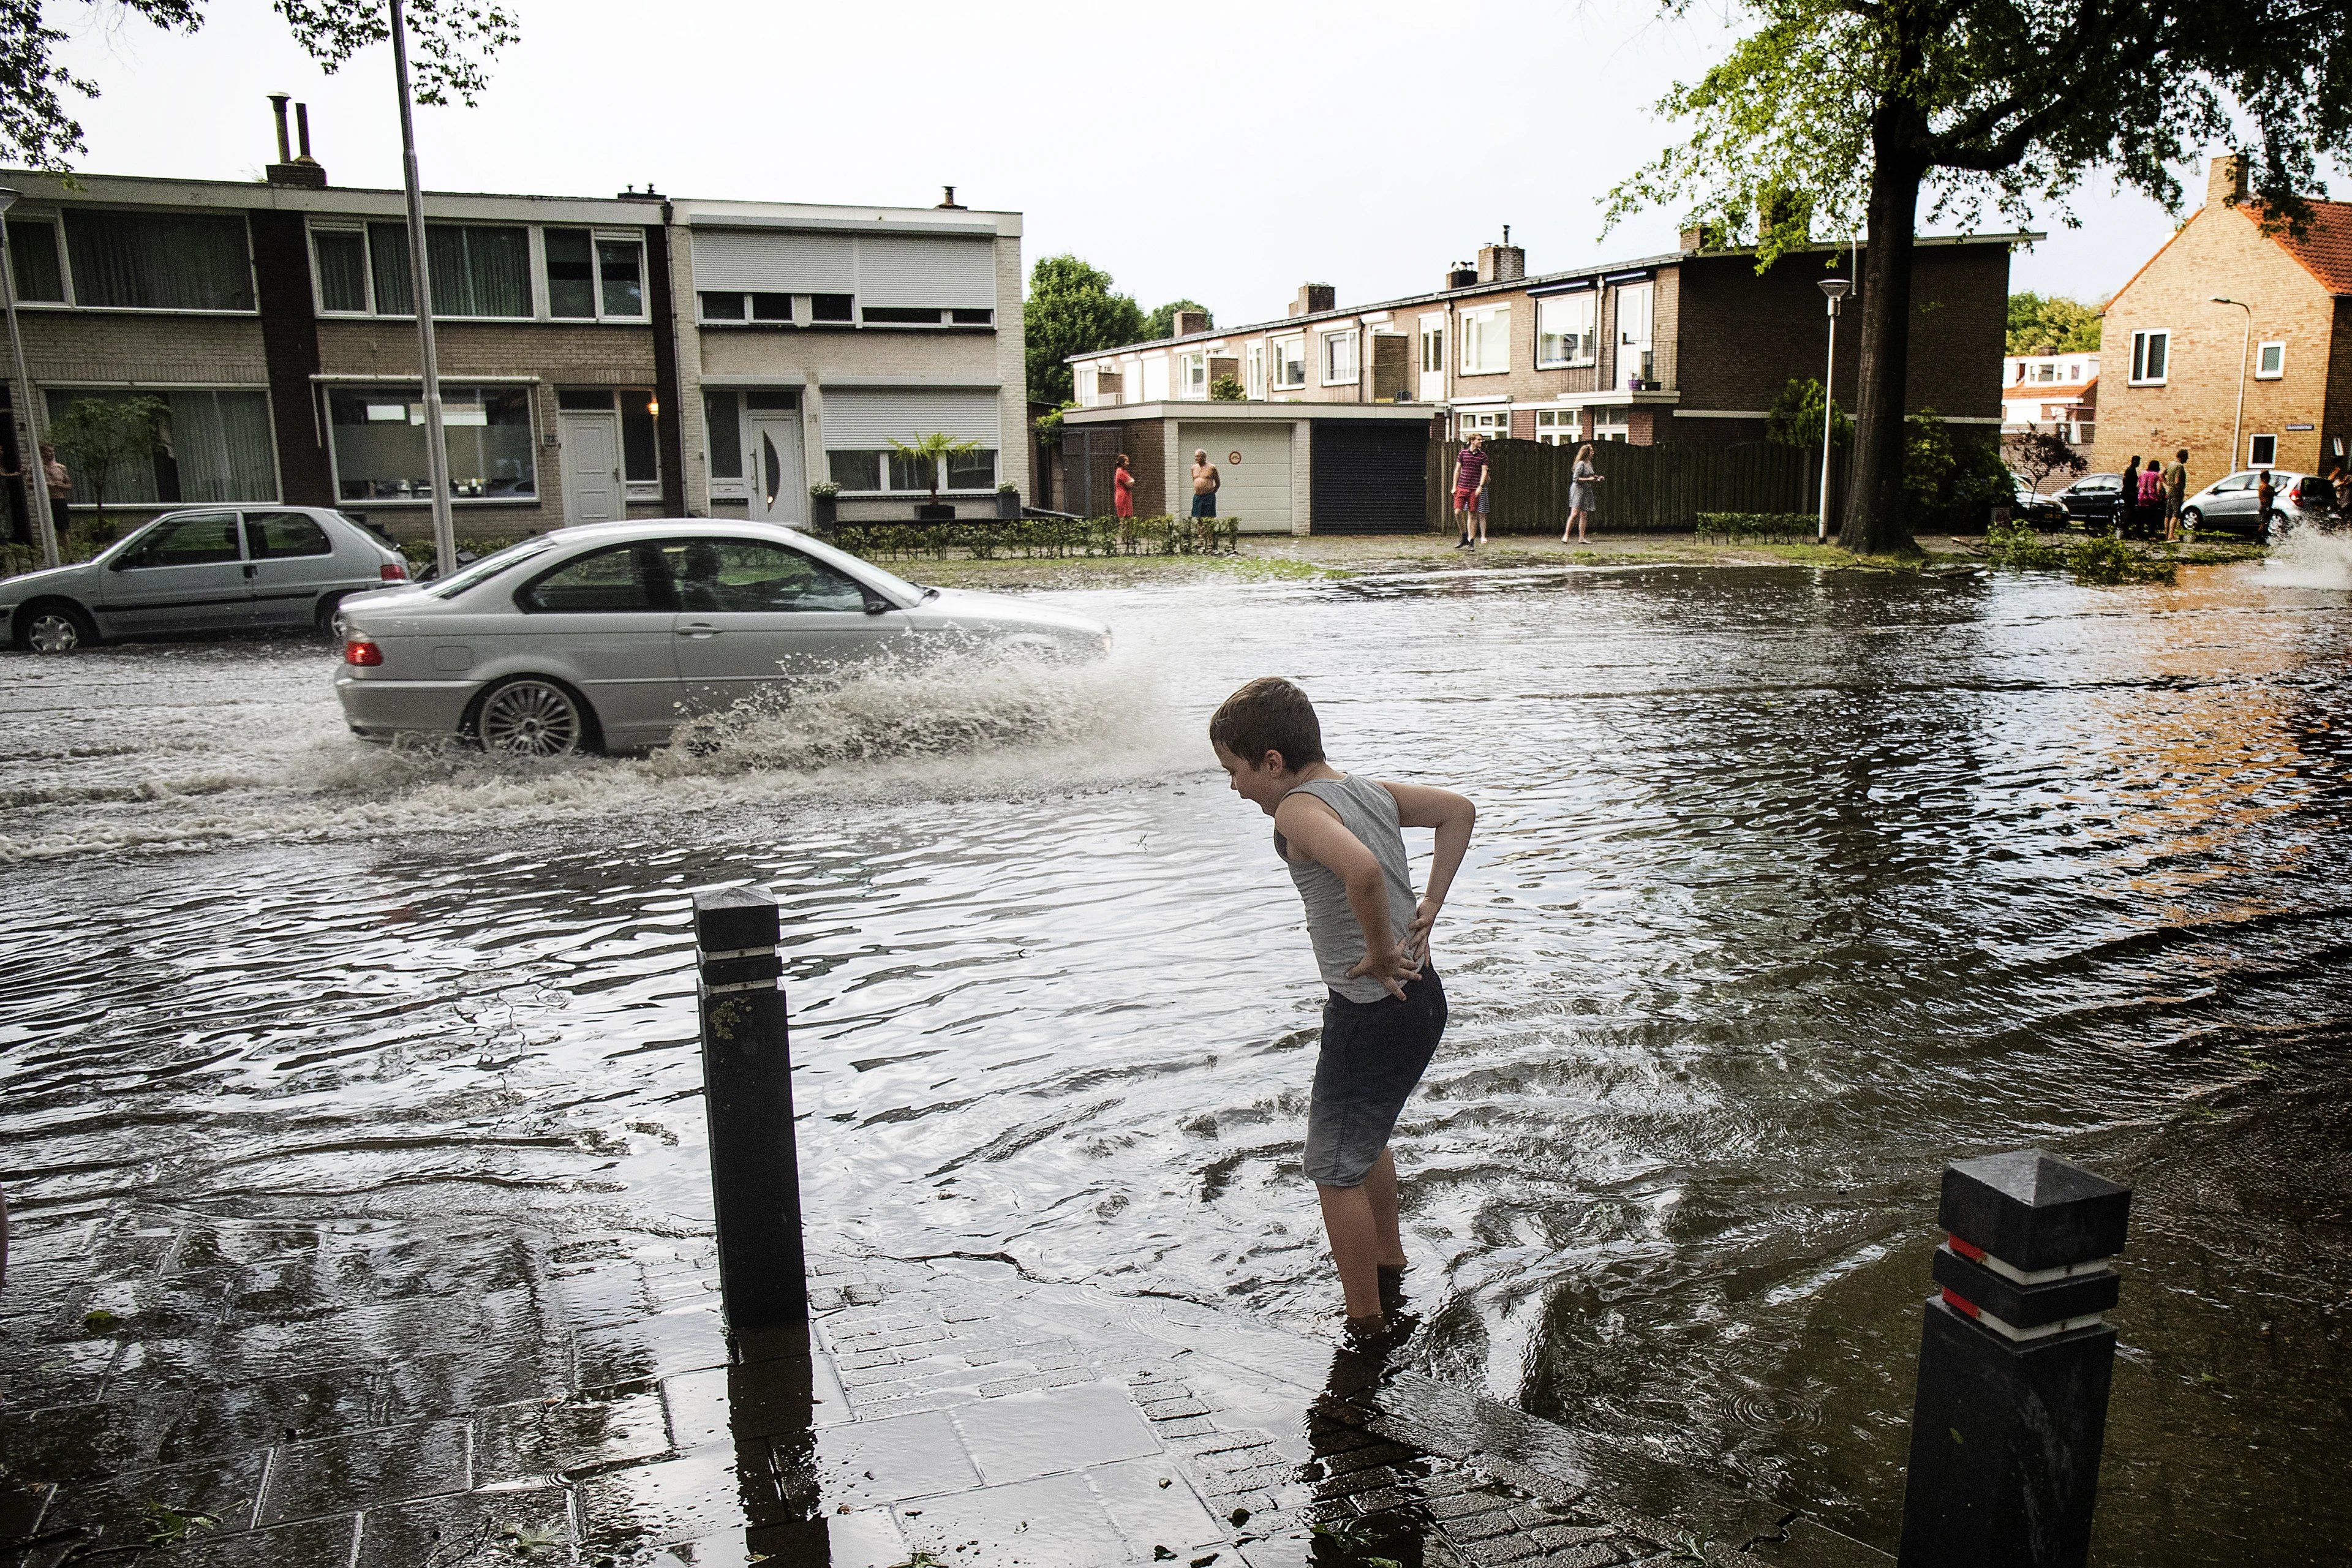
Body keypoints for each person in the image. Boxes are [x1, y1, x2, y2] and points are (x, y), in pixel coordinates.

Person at [1210, 677, 1476, 1347]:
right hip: (1422, 1000)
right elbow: (1458, 810)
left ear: (1271, 760)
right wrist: (1430, 906)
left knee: (1332, 1169)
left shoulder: (1295, 809)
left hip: (1372, 1008)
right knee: (1367, 1137)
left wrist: (1381, 952)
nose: (1235, 788)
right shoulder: (1366, 790)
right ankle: (1390, 1263)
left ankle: (1365, 1326)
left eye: (1235, 771)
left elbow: (1359, 871)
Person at [1451, 433, 1489, 549]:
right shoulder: (1463, 454)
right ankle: (1464, 535)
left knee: (1472, 514)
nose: (1481, 442)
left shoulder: (1483, 456)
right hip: (1462, 486)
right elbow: (1457, 470)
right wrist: (1454, 486)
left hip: (1474, 488)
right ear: (1472, 441)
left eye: (1482, 440)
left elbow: (1484, 472)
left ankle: (1471, 541)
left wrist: (1480, 486)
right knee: (1457, 512)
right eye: (1479, 440)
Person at [1563, 443, 1604, 543]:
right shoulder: (1581, 464)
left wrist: (1597, 478)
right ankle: (1566, 536)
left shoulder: (1589, 463)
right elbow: (1576, 479)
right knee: (1575, 513)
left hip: (1586, 489)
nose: (1593, 453)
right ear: (1587, 452)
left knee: (1584, 513)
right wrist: (1588, 479)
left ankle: (1581, 538)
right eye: (1591, 451)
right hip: (1578, 489)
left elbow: (1590, 476)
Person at [41, 443, 69, 545]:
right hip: (45, 501)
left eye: (53, 451)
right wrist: (45, 485)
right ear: (42, 453)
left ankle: (68, 554)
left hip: (59, 500)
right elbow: (29, 484)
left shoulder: (61, 468)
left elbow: (69, 485)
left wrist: (61, 486)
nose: (52, 453)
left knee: (63, 529)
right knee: (47, 529)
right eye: (49, 451)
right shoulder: (37, 469)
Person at [2161, 448, 2190, 541]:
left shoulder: (2170, 464)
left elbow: (2161, 475)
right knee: (2175, 514)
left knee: (2168, 514)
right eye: (2187, 457)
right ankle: (2171, 536)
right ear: (2183, 457)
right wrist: (2179, 490)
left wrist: (2168, 484)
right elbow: (2177, 481)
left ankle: (2166, 534)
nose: (2187, 459)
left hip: (2170, 492)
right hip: (2176, 493)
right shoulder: (2179, 467)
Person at [2135, 460, 2163, 538]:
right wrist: (2160, 496)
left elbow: (2138, 485)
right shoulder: (2157, 475)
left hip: (2142, 498)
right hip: (2152, 499)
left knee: (2141, 517)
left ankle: (2139, 535)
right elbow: (2158, 488)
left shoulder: (2143, 473)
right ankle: (2151, 535)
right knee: (2152, 518)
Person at [1190, 448, 1220, 520]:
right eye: (1195, 456)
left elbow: (1218, 483)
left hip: (1209, 497)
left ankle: (1209, 532)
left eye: (1198, 456)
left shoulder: (1212, 468)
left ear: (1204, 457)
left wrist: (1211, 493)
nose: (1196, 458)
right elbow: (1195, 481)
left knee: (1209, 519)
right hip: (1198, 497)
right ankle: (1200, 532)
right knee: (1199, 519)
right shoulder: (1194, 468)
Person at [2117, 455, 2140, 538]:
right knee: (2130, 512)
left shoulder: (2131, 470)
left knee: (2130, 511)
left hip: (2128, 492)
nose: (2138, 463)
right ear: (2134, 461)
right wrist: (2131, 490)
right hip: (2129, 494)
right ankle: (2126, 532)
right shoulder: (2131, 470)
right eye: (2138, 461)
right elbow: (2126, 480)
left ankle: (2128, 531)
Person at [1113, 453, 1135, 521]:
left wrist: (1132, 481)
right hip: (1123, 497)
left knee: (1128, 518)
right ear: (1122, 463)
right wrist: (1132, 481)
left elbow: (1130, 482)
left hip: (1126, 497)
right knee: (1124, 518)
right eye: (1127, 462)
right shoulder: (1121, 473)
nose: (1128, 463)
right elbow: (1129, 484)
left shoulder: (1124, 472)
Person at [2256, 468, 2275, 543]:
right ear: (2264, 478)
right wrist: (2283, 488)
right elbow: (2273, 493)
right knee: (2264, 524)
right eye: (2268, 478)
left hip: (2266, 507)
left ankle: (2262, 538)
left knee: (2265, 523)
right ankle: (2259, 538)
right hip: (2265, 507)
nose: (2270, 479)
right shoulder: (2265, 487)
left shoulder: (2264, 487)